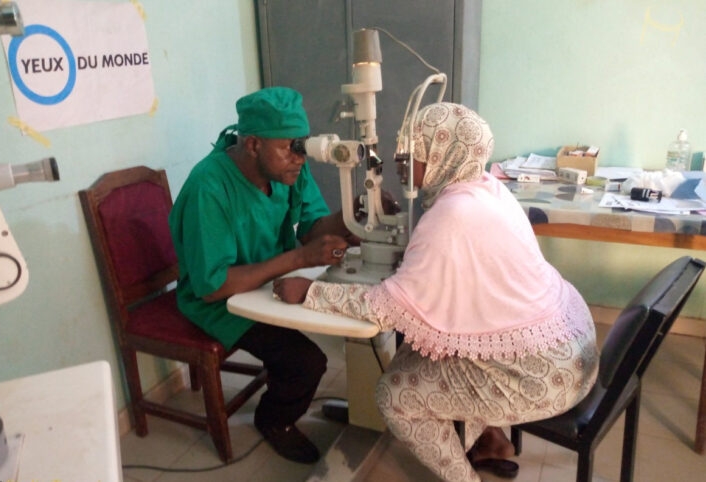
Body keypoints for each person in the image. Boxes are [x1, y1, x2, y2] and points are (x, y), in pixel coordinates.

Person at [273, 102, 600, 481]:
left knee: (393, 396)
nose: (399, 159)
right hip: (570, 347)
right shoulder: (487, 189)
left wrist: (311, 292)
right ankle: (492, 441)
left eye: (411, 152)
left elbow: (387, 309)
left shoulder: (452, 214)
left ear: (443, 153)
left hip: (540, 377)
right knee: (419, 347)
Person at [169, 87, 354, 464]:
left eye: (302, 147)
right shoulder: (210, 186)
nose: (299, 158)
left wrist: (355, 215)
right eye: (289, 147)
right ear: (253, 144)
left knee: (356, 315)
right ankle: (273, 420)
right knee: (305, 363)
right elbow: (213, 286)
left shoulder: (288, 169)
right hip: (220, 299)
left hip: (265, 280)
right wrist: (298, 258)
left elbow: (313, 228)